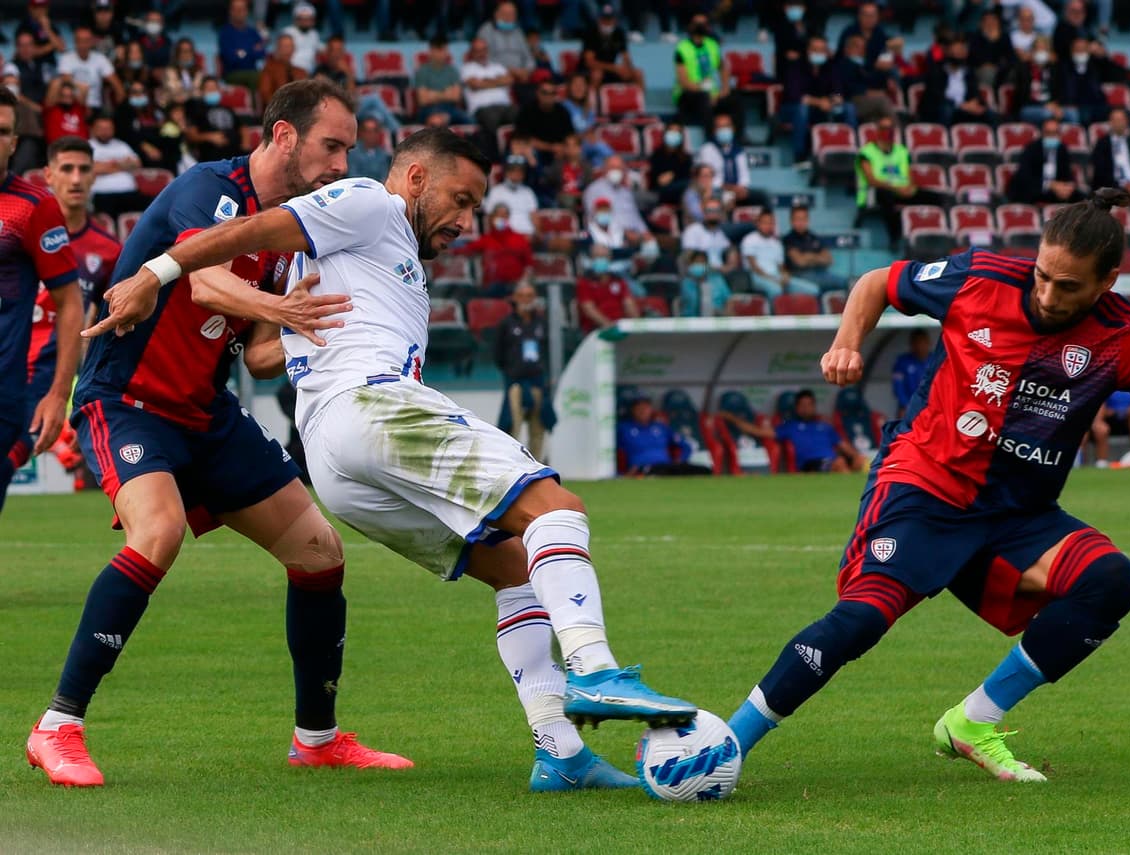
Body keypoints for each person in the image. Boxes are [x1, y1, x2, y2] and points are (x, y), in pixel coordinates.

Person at [101, 126, 696, 789]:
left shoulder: (357, 253)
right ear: (415, 178)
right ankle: (595, 669)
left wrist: (284, 315)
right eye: (460, 200)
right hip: (373, 406)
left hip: (337, 461)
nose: (466, 221)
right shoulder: (371, 202)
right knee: (556, 509)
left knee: (514, 568)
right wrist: (158, 271)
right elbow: (251, 229)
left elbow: (267, 351)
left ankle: (560, 752)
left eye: (475, 208)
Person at [723, 189, 1130, 786]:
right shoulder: (980, 278)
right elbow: (877, 282)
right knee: (860, 620)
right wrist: (845, 343)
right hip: (925, 487)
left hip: (1017, 516)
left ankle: (973, 721)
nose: (1048, 295)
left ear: (1108, 281)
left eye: (1069, 286)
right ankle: (725, 746)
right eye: (1043, 276)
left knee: (1111, 581)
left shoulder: (1123, 335)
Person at [27, 81, 413, 788]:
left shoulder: (292, 231)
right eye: (332, 146)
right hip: (129, 401)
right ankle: (58, 726)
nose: (341, 164)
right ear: (284, 136)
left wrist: (330, 337)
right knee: (159, 532)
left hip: (206, 413)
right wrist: (282, 308)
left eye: (349, 150)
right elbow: (204, 283)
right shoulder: (212, 189)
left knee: (319, 553)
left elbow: (262, 352)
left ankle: (317, 738)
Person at [2, 136, 121, 497]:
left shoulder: (107, 251)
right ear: (48, 175)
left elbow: (112, 325)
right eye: (66, 169)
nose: (76, 179)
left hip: (43, 384)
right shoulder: (18, 226)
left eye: (84, 170)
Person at [0, 93, 86, 516]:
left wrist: (58, 395)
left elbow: (70, 303)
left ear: (14, 142)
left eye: (2, 131)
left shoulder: (33, 207)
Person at [856, 114, 948, 246]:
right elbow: (871, 180)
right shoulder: (867, 152)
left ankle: (933, 238)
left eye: (890, 128)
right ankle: (894, 238)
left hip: (901, 191)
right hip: (878, 191)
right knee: (886, 197)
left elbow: (909, 176)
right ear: (877, 130)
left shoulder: (902, 151)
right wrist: (896, 188)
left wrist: (910, 189)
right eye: (884, 128)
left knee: (936, 198)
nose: (887, 132)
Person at [722, 389, 866, 472]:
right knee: (840, 463)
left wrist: (857, 457)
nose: (806, 409)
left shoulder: (825, 426)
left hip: (833, 462)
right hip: (812, 464)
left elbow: (844, 446)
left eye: (810, 405)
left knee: (859, 461)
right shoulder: (790, 427)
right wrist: (732, 418)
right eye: (803, 405)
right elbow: (758, 431)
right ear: (797, 408)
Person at [494, 282, 553, 460]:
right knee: (513, 425)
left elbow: (547, 351)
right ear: (515, 298)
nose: (526, 300)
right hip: (516, 383)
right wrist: (511, 371)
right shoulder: (507, 324)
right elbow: (498, 354)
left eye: (530, 296)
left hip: (537, 382)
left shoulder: (541, 323)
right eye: (522, 296)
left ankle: (536, 466)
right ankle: (511, 465)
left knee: (538, 428)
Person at [780, 36, 852, 169]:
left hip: (822, 108)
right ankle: (799, 156)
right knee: (802, 109)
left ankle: (851, 151)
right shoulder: (795, 67)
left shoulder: (831, 67)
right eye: (815, 49)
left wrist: (832, 100)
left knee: (848, 108)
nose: (819, 53)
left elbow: (838, 92)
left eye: (822, 50)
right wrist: (819, 102)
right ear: (808, 51)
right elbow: (796, 95)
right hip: (792, 108)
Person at [617, 395, 710, 476]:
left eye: (646, 407)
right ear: (633, 410)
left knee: (704, 470)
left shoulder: (661, 427)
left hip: (667, 466)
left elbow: (686, 446)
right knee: (659, 471)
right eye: (639, 408)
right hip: (643, 468)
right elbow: (612, 452)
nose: (643, 411)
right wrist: (621, 473)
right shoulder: (623, 428)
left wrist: (680, 460)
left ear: (651, 409)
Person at [742, 210, 821, 301]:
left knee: (813, 290)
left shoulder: (776, 243)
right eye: (765, 223)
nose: (768, 226)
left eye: (771, 223)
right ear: (758, 224)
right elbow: (754, 267)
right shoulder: (749, 239)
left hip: (776, 276)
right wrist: (773, 280)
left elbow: (781, 267)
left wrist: (785, 275)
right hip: (756, 276)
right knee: (776, 290)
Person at [457, 202, 533, 296]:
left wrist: (523, 283)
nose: (501, 218)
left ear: (508, 217)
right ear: (492, 218)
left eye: (504, 215)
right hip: (491, 287)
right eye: (498, 215)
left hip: (515, 286)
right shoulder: (486, 240)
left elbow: (529, 265)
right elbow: (466, 250)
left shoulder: (520, 239)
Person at [461, 38, 518, 159]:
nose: (481, 53)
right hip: (483, 109)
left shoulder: (497, 67)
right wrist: (498, 81)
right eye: (477, 51)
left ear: (487, 51)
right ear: (472, 53)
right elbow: (475, 84)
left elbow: (509, 80)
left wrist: (484, 82)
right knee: (491, 118)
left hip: (505, 107)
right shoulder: (467, 68)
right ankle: (496, 159)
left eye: (483, 50)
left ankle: (515, 155)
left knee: (521, 114)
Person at [672, 14, 730, 132]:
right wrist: (707, 93)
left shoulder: (712, 45)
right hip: (687, 93)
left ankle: (738, 137)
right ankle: (711, 137)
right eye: (697, 24)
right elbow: (683, 81)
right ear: (690, 26)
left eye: (703, 24)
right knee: (704, 99)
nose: (700, 26)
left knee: (733, 100)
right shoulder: (682, 48)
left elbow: (723, 68)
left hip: (710, 92)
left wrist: (725, 89)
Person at [1008, 118, 1086, 205]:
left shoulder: (1062, 149)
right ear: (1042, 133)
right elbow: (1025, 176)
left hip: (1056, 190)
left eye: (1054, 133)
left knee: (1081, 197)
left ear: (1059, 134)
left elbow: (1067, 173)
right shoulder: (1032, 148)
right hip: (1036, 187)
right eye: (1048, 133)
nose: (1051, 136)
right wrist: (1050, 185)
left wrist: (1067, 187)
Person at [696, 114, 766, 208]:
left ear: (733, 129)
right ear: (714, 131)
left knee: (763, 196)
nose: (724, 130)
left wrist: (742, 188)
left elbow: (744, 176)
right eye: (720, 127)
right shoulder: (707, 150)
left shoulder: (739, 150)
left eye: (726, 126)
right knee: (727, 198)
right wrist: (731, 189)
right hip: (715, 190)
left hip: (737, 190)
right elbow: (708, 180)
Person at [921, 37, 994, 126]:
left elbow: (975, 92)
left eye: (962, 50)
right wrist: (960, 105)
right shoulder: (936, 71)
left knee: (989, 113)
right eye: (957, 50)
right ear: (947, 51)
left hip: (965, 108)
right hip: (944, 107)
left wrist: (974, 102)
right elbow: (936, 96)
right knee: (946, 110)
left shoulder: (969, 72)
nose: (961, 53)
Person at [87, 113, 149, 218]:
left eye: (108, 128)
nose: (105, 132)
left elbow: (137, 164)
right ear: (93, 129)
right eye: (101, 128)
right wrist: (121, 164)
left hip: (130, 193)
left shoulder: (121, 145)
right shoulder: (87, 145)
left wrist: (106, 165)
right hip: (102, 195)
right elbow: (91, 168)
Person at [57, 26, 123, 112]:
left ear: (92, 42)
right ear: (75, 41)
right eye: (80, 40)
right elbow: (67, 84)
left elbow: (118, 86)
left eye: (86, 40)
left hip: (96, 107)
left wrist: (118, 110)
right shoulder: (66, 58)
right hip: (74, 106)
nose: (83, 44)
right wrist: (83, 105)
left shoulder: (100, 58)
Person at [577, 242, 640, 331]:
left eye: (604, 257)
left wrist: (636, 324)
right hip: (596, 329)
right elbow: (589, 309)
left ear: (609, 259)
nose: (600, 260)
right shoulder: (584, 282)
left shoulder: (618, 280)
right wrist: (609, 326)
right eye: (597, 257)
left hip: (620, 326)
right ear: (591, 259)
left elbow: (628, 303)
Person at [783, 206, 846, 294]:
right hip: (799, 275)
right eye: (798, 219)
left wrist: (808, 256)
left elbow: (829, 260)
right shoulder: (788, 239)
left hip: (820, 272)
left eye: (803, 219)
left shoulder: (814, 237)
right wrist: (817, 257)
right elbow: (800, 262)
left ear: (808, 220)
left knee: (846, 282)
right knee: (842, 282)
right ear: (791, 221)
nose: (801, 222)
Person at [581, 3, 645, 90]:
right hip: (590, 70)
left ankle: (640, 98)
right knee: (597, 74)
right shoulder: (590, 33)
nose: (607, 23)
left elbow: (626, 57)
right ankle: (591, 98)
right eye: (604, 19)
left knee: (638, 73)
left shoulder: (619, 33)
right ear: (599, 20)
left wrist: (627, 69)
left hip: (611, 71)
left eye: (609, 19)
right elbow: (590, 62)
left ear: (615, 20)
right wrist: (614, 68)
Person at [514, 78, 575, 166]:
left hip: (558, 152)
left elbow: (570, 136)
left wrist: (564, 148)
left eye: (552, 93)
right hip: (535, 151)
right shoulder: (527, 111)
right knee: (529, 152)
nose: (548, 96)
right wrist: (551, 148)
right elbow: (524, 139)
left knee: (574, 151)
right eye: (544, 92)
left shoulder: (562, 111)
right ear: (538, 93)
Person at [185, 78, 247, 163]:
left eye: (214, 88)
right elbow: (191, 136)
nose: (212, 91)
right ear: (202, 91)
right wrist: (210, 137)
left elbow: (242, 127)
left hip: (235, 156)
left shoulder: (227, 108)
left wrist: (245, 145)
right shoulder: (196, 110)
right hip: (212, 158)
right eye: (209, 89)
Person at [477, 1, 536, 87]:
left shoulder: (518, 31)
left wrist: (526, 71)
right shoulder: (486, 30)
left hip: (521, 76)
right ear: (496, 14)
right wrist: (508, 70)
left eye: (512, 14)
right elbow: (484, 57)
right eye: (505, 14)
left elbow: (528, 57)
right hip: (497, 76)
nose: (509, 17)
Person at [414, 36, 467, 125]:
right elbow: (422, 100)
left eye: (445, 50)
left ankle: (446, 118)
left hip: (451, 109)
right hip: (429, 109)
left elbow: (456, 97)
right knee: (436, 120)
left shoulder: (452, 71)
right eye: (441, 50)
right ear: (432, 51)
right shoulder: (422, 71)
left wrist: (432, 94)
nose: (445, 53)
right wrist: (446, 94)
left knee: (472, 121)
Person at [679, 197, 736, 277]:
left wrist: (730, 265)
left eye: (716, 210)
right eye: (709, 210)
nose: (713, 213)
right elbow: (687, 258)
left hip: (718, 274)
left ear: (721, 213)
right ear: (703, 212)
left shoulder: (722, 232)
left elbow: (731, 252)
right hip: (698, 276)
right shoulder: (692, 230)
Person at [483, 155, 539, 236]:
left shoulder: (528, 192)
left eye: (520, 171)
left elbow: (534, 217)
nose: (516, 174)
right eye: (512, 170)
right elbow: (490, 218)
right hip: (505, 235)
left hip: (528, 235)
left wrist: (537, 234)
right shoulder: (496, 191)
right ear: (506, 172)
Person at [218, 0, 267, 89]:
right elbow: (230, 58)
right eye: (236, 9)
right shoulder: (225, 33)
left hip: (252, 71)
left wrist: (242, 52)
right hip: (232, 74)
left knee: (267, 75)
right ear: (231, 12)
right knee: (255, 77)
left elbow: (261, 53)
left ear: (246, 11)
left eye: (242, 9)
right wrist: (252, 50)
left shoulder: (253, 32)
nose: (239, 12)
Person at [1089, 391, 1130, 466]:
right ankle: (1101, 463)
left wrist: (1122, 412)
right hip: (1107, 417)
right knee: (1101, 429)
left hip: (1127, 418)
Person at [648, 122, 692, 206]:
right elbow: (657, 179)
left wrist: (672, 175)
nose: (673, 134)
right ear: (665, 134)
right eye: (671, 131)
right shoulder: (657, 155)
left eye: (677, 132)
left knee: (689, 186)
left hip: (681, 191)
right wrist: (663, 179)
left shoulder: (686, 157)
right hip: (661, 191)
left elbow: (686, 176)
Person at [891, 329, 931, 418]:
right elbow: (898, 387)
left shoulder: (935, 361)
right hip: (907, 406)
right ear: (911, 344)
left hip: (930, 407)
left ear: (928, 343)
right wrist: (906, 405)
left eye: (922, 342)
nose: (920, 346)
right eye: (916, 343)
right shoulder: (902, 362)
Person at [259, 33, 307, 107]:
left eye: (290, 46)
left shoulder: (301, 72)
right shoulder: (269, 69)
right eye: (284, 46)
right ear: (278, 49)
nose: (287, 50)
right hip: (278, 109)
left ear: (294, 49)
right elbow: (265, 94)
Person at [679, 249, 731, 316]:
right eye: (697, 262)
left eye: (702, 262)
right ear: (691, 264)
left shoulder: (717, 278)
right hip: (691, 317)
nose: (700, 265)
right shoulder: (686, 281)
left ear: (707, 263)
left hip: (716, 316)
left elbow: (728, 299)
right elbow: (689, 301)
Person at [347, 116, 391, 181]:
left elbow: (385, 177)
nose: (372, 135)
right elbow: (353, 177)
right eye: (368, 131)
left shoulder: (383, 154)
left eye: (375, 131)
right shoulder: (352, 153)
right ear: (361, 133)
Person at [281, 3, 321, 74]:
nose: (305, 22)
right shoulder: (287, 32)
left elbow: (319, 49)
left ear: (313, 21)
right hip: (290, 71)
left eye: (308, 19)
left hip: (310, 72)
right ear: (296, 20)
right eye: (301, 19)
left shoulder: (314, 34)